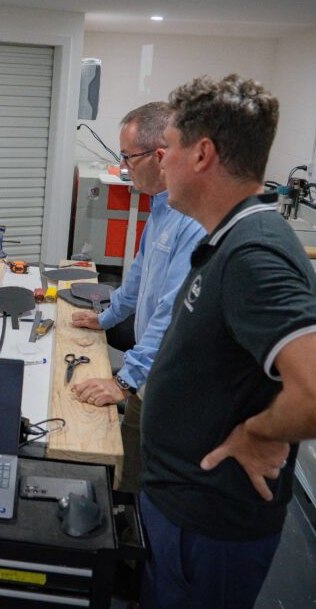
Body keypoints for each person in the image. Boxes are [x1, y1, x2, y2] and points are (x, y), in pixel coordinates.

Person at [138, 74, 316, 609]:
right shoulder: (231, 238)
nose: (161, 163)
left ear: (202, 154)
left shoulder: (253, 255)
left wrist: (261, 432)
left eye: (168, 148)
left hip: (208, 526)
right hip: (184, 510)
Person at [69, 102, 205, 493]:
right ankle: (124, 518)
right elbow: (139, 276)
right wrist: (107, 317)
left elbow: (173, 311)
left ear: (159, 156)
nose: (123, 167)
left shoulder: (193, 221)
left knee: (159, 482)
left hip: (172, 384)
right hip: (148, 373)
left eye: (127, 157)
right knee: (127, 466)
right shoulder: (162, 207)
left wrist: (125, 381)